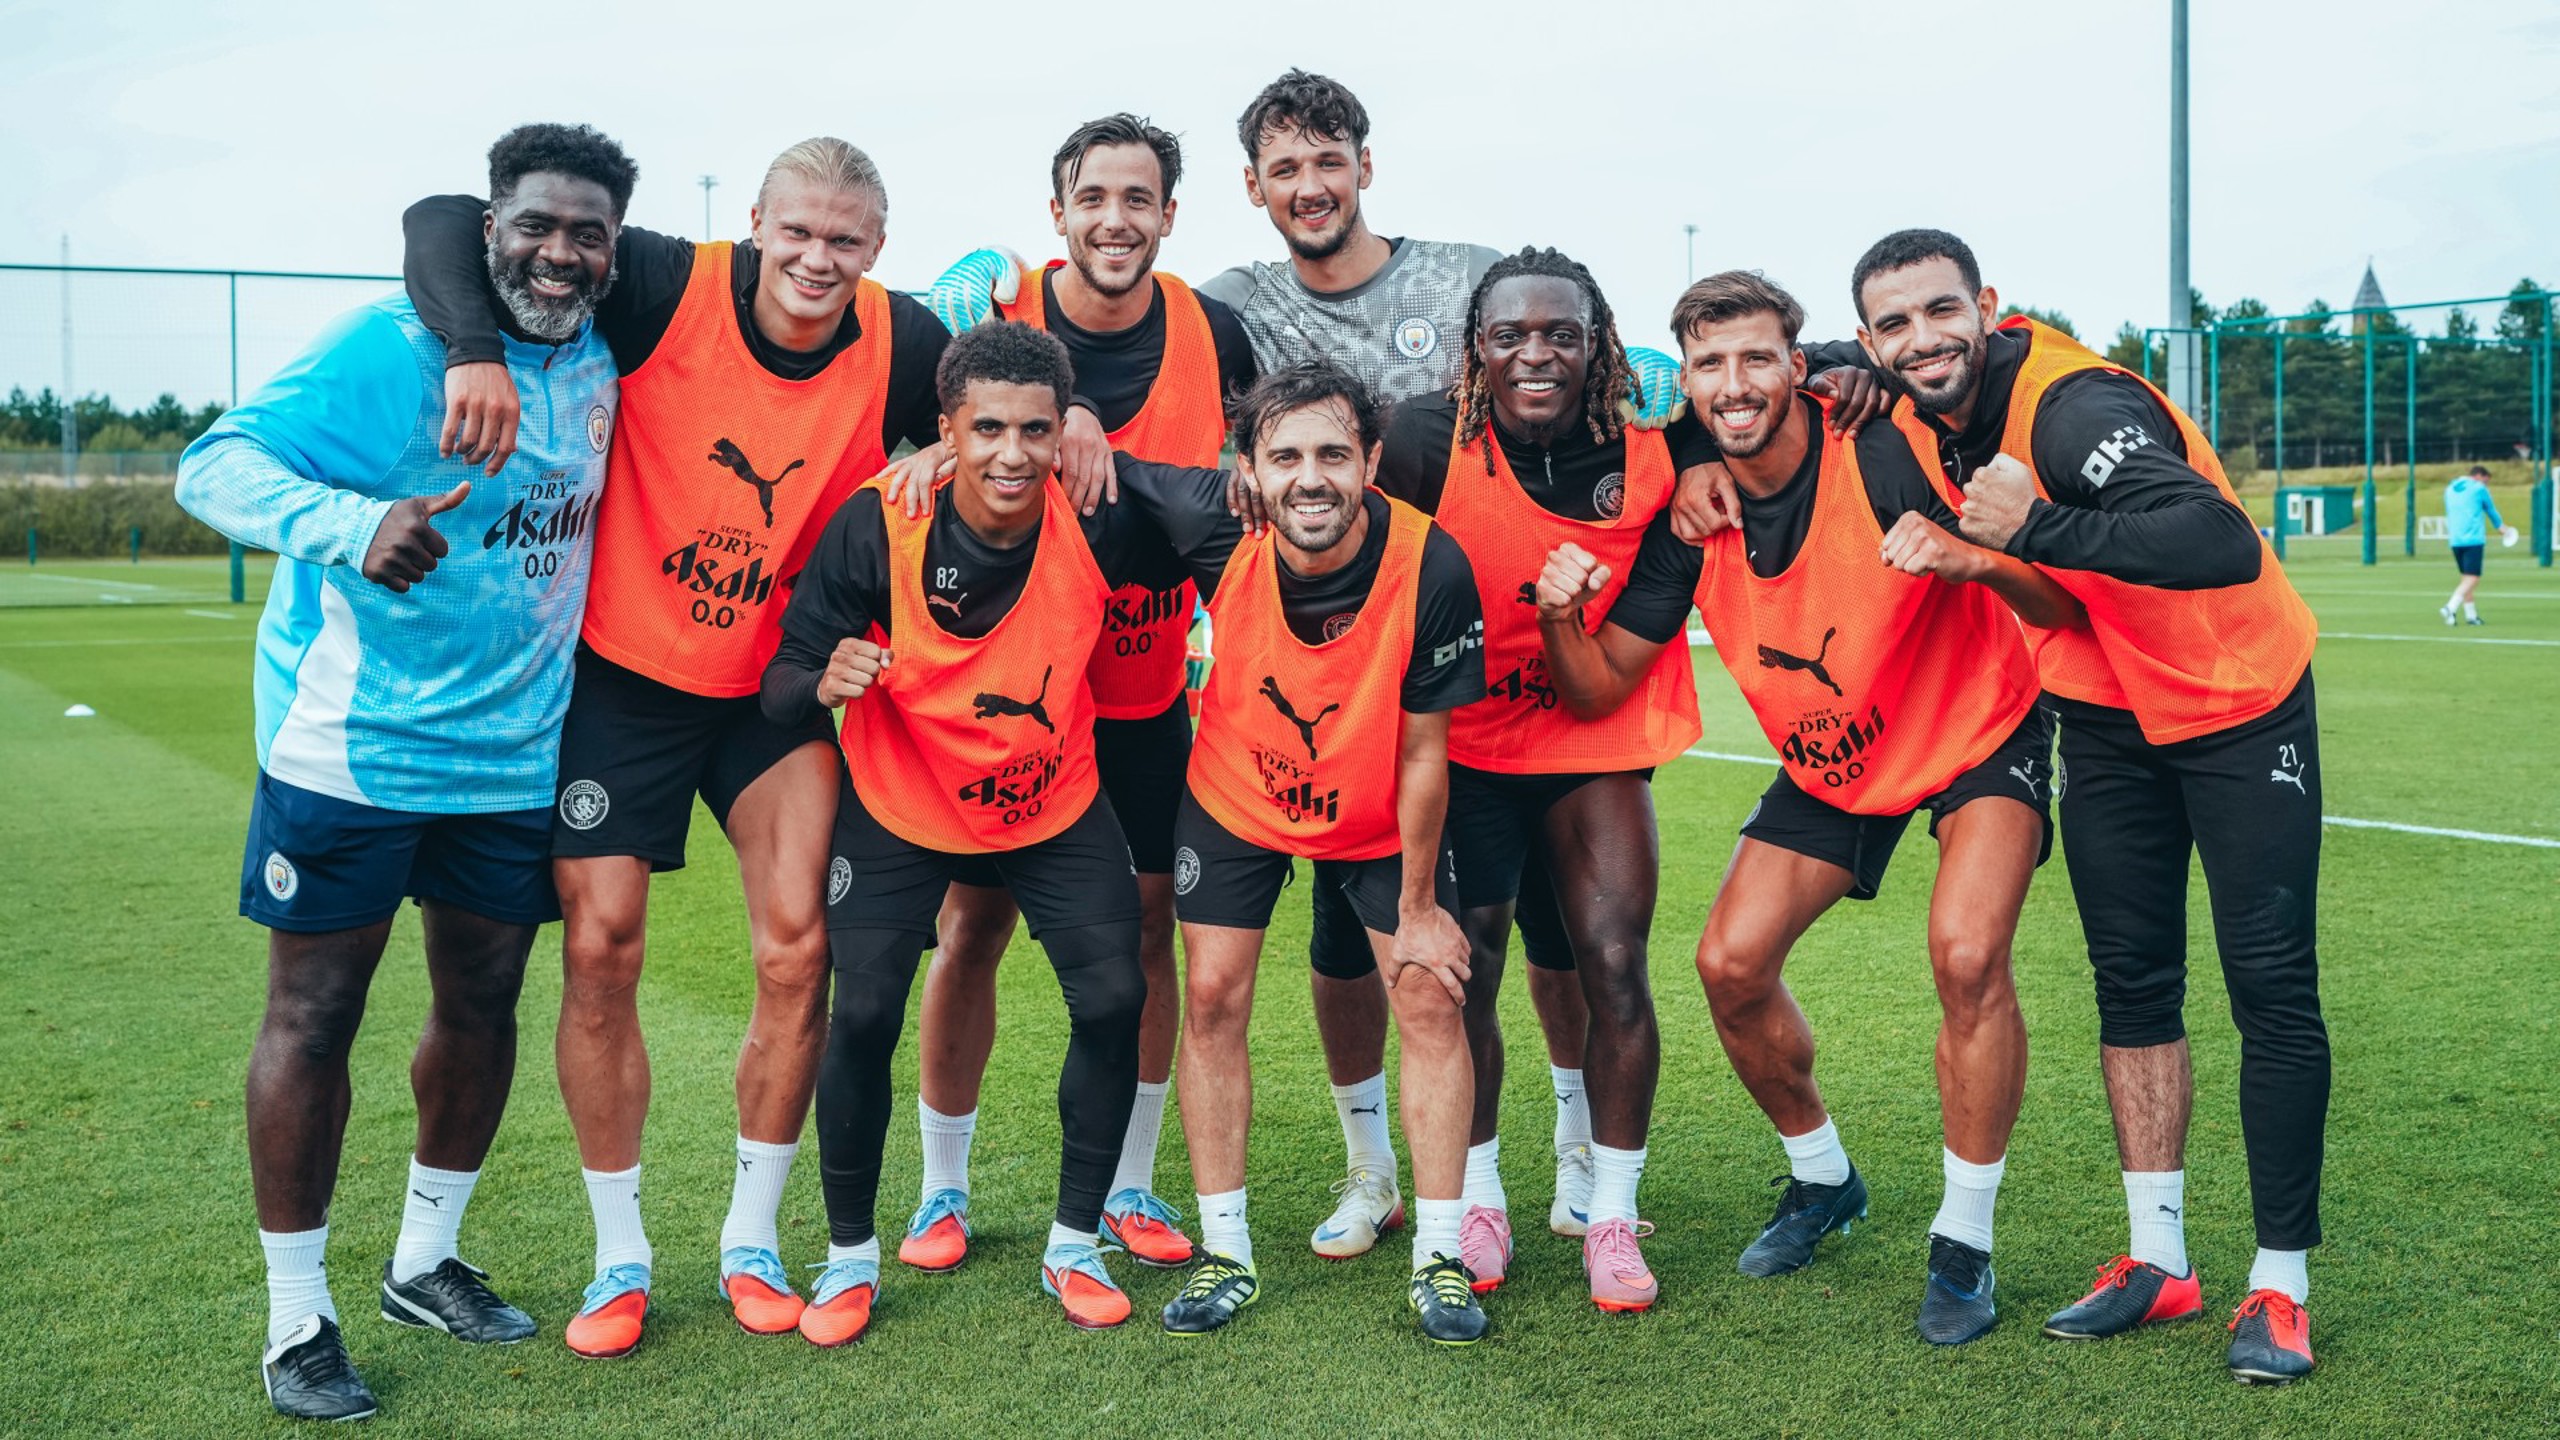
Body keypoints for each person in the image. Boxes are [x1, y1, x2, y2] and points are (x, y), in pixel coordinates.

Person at [401, 137, 951, 1356]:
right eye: (796, 231)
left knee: (800, 949)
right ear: (755, 221)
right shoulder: (666, 282)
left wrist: (992, 431)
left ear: (876, 248)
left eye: (845, 240)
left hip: (775, 693)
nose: (816, 258)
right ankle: (620, 1256)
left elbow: (998, 391)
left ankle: (751, 1241)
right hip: (625, 683)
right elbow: (442, 215)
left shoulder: (902, 340)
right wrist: (473, 347)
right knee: (600, 947)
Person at [177, 124, 633, 1420]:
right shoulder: (389, 347)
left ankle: (424, 1261)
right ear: (490, 230)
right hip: (353, 747)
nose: (560, 253)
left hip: (515, 756)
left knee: (482, 1002)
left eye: (587, 233)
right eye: (535, 225)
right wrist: (350, 521)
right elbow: (213, 464)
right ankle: (297, 1316)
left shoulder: (606, 350)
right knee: (316, 1015)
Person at [1536, 269, 2077, 1344]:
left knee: (1968, 955)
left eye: (1756, 358)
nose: (1733, 383)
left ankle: (1963, 1242)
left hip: (1974, 726)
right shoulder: (1692, 512)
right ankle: (1822, 1176)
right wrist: (1558, 615)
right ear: (1686, 383)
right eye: (1709, 364)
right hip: (1837, 753)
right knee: (1729, 966)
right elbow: (1597, 688)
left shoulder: (1882, 444)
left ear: (1799, 363)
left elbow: (2054, 600)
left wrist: (1973, 559)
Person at [1861, 229, 2327, 1384]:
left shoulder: (2070, 409)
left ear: (1988, 306)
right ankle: (2158, 1260)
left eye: (1941, 311)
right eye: (1892, 325)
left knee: (2268, 984)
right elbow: (1812, 360)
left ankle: (2280, 1284)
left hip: (2235, 700)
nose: (1922, 340)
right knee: (2132, 980)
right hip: (2107, 708)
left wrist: (2031, 528)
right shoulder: (1909, 391)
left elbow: (2216, 538)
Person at [759, 322, 1239, 1342]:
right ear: (945, 431)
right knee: (863, 1012)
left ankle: (1074, 1243)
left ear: (1062, 431)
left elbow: (1235, 511)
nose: (1011, 453)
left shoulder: (1100, 512)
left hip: (1052, 802)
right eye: (986, 430)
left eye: (1034, 429)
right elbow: (783, 676)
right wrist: (823, 678)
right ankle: (849, 1258)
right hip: (903, 803)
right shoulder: (881, 520)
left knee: (1115, 996)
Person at [893, 115, 1257, 1277]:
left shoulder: (1215, 331)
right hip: (1012, 706)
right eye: (1092, 197)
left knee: (1148, 931)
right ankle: (941, 1190)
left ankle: (1128, 1185)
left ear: (1169, 214)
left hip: (1143, 697)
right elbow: (912, 444)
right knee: (973, 928)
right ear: (1057, 213)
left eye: (1137, 198)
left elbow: (1263, 464)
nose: (1115, 218)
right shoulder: (998, 311)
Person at [1356, 248, 1702, 1307]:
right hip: (1461, 743)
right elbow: (1351, 540)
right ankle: (1481, 1198)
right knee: (1467, 969)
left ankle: (1610, 1216)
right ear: (1477, 349)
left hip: (1591, 733)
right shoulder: (1425, 439)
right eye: (1509, 335)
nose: (1535, 354)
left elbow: (1778, 383)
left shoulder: (1657, 444)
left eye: (1561, 333)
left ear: (1600, 347)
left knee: (1614, 961)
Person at [1153, 361, 1492, 1344]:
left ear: (1371, 462)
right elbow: (1081, 461)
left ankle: (1439, 1258)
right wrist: (943, 456)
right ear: (1248, 469)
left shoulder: (1432, 562)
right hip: (1237, 796)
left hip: (1377, 806)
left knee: (1427, 994)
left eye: (1334, 455)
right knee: (1213, 997)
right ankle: (1226, 1252)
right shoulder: (1216, 524)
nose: (1311, 478)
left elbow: (1426, 752)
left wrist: (1420, 907)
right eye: (1286, 456)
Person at [2441, 464, 2514, 624]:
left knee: (2466, 578)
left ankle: (2471, 616)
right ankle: (2450, 607)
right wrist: (2501, 528)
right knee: (2473, 577)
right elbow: (2490, 509)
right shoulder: (2479, 488)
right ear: (2479, 476)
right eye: (2486, 481)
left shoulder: (2450, 488)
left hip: (2455, 539)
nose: (2486, 485)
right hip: (2473, 539)